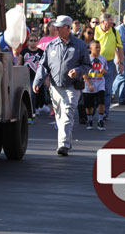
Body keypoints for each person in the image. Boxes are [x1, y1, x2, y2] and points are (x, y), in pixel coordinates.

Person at [33, 15, 91, 156]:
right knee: (60, 117)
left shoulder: (79, 45)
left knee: (67, 112)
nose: (56, 30)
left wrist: (77, 71)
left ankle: (63, 145)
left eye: (59, 27)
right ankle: (66, 141)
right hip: (55, 87)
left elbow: (87, 65)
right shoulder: (51, 45)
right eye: (55, 27)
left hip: (72, 86)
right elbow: (43, 65)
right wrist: (37, 81)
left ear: (67, 28)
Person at [94, 13, 124, 117]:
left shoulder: (115, 32)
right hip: (95, 63)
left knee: (107, 89)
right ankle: (92, 109)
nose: (112, 22)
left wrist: (121, 62)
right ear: (103, 22)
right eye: (110, 20)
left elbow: (120, 47)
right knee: (93, 87)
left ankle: (104, 112)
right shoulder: (95, 30)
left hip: (109, 63)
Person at [82, 40, 108, 131]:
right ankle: (89, 120)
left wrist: (103, 71)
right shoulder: (87, 60)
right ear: (91, 48)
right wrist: (89, 85)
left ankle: (100, 121)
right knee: (89, 105)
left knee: (101, 102)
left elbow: (106, 70)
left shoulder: (103, 59)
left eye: (99, 47)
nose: (98, 49)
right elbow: (83, 74)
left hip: (100, 83)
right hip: (89, 85)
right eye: (96, 47)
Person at [17, 34, 45, 116]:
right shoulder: (24, 51)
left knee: (38, 93)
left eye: (35, 40)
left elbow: (44, 64)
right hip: (26, 76)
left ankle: (36, 108)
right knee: (30, 94)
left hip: (38, 76)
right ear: (28, 42)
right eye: (31, 40)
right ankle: (32, 111)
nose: (33, 42)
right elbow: (20, 63)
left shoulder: (41, 52)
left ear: (38, 42)